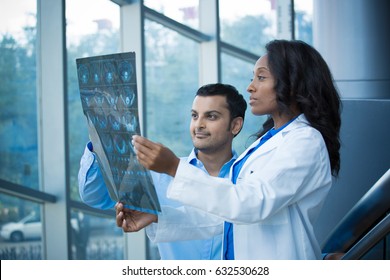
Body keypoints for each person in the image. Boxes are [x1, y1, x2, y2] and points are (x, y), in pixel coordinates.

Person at [128, 39, 342, 260]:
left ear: (293, 82)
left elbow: (250, 203)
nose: (250, 86)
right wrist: (157, 218)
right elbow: (225, 218)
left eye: (261, 77)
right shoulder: (266, 143)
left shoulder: (305, 140)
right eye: (253, 78)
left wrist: (174, 167)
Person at [78, 83, 247, 259]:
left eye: (211, 116)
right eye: (194, 116)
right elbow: (95, 196)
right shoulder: (159, 174)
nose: (199, 125)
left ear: (235, 125)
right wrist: (100, 138)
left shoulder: (248, 179)